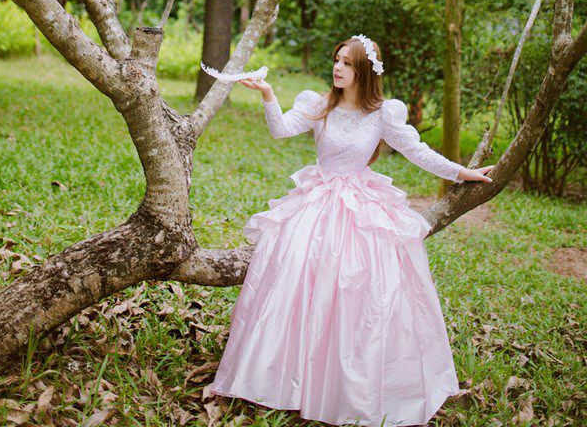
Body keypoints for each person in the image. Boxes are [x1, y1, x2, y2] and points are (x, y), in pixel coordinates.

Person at [210, 35, 495, 427]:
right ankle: (287, 379)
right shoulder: (320, 105)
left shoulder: (382, 115)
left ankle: (347, 385)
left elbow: (418, 153)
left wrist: (463, 173)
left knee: (362, 287)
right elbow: (280, 129)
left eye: (346, 63)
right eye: (336, 60)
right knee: (297, 278)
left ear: (363, 72)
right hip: (317, 200)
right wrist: (268, 94)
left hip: (361, 203)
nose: (337, 67)